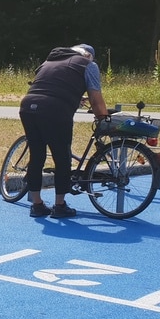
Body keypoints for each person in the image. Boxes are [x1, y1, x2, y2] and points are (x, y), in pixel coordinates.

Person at [18, 44, 110, 219]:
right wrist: (104, 119)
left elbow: (50, 86)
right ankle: (59, 205)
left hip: (28, 106)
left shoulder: (49, 61)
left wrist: (73, 97)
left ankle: (37, 205)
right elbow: (96, 98)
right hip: (55, 110)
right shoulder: (88, 65)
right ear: (88, 56)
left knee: (37, 155)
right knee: (62, 156)